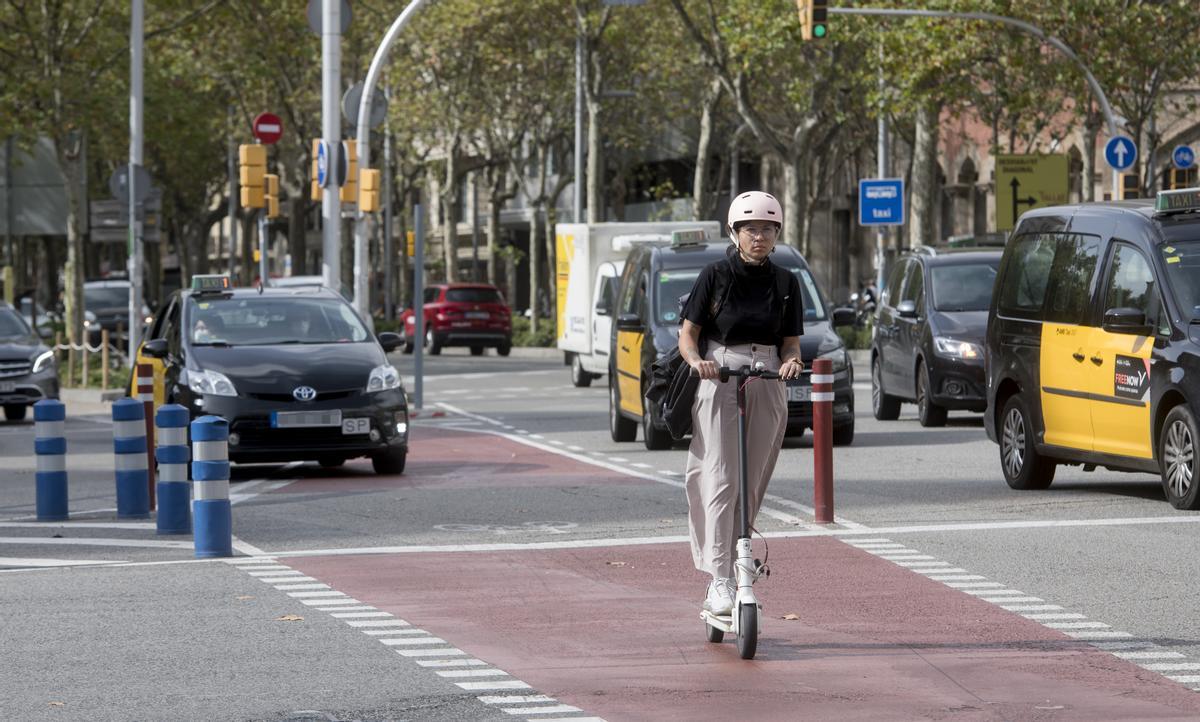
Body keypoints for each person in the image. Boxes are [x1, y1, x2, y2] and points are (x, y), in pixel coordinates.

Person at [677, 190, 805, 616]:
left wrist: (792, 363)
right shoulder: (714, 275)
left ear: (777, 234)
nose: (759, 236)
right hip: (721, 371)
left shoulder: (787, 283)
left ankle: (740, 562)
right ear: (734, 233)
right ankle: (719, 579)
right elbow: (688, 335)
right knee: (721, 476)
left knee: (751, 482)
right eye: (751, 229)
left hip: (767, 375)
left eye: (768, 229)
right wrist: (698, 362)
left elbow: (790, 344)